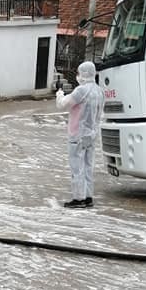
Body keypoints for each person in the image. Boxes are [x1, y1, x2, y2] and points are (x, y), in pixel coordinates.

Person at [55, 61, 104, 208]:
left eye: (78, 72)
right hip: (92, 134)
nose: (77, 75)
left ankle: (78, 198)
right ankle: (88, 197)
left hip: (77, 135)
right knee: (88, 166)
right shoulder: (99, 91)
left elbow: (62, 104)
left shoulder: (81, 91)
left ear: (83, 73)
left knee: (77, 167)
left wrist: (59, 94)